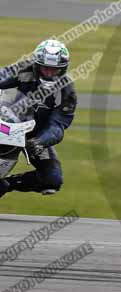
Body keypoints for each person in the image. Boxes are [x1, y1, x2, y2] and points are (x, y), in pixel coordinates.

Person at [0, 39, 77, 198]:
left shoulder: (67, 91)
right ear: (36, 65)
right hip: (10, 124)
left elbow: (58, 125)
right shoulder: (23, 69)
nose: (49, 73)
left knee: (52, 180)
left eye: (54, 69)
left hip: (35, 136)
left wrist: (40, 141)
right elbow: (2, 76)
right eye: (45, 68)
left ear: (63, 69)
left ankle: (7, 184)